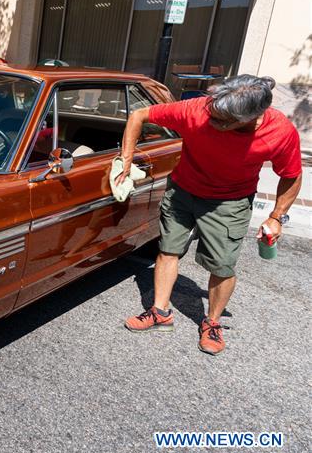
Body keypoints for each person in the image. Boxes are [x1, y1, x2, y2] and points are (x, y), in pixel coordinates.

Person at [118, 75, 302, 355]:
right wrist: (126, 160)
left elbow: (291, 175)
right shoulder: (197, 110)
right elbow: (139, 114)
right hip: (183, 191)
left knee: (222, 266)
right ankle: (160, 313)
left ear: (253, 116)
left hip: (230, 201)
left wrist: (277, 216)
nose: (212, 121)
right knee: (167, 250)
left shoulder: (280, 131)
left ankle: (212, 323)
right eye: (212, 113)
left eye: (222, 120)